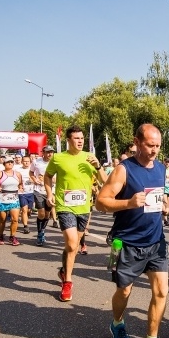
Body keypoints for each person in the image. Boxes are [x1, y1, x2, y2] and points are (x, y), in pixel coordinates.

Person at [96, 124, 169, 338]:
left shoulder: (161, 169)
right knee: (124, 291)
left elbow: (160, 197)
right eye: (150, 145)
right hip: (126, 243)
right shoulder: (123, 169)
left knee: (161, 291)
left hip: (155, 241)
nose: (154, 150)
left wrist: (165, 206)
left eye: (158, 146)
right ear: (137, 142)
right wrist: (128, 202)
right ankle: (117, 323)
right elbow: (101, 202)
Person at [45, 127, 107, 301]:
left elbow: (105, 181)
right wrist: (50, 194)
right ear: (68, 140)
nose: (80, 141)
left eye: (82, 138)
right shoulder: (58, 158)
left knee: (72, 246)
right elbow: (48, 176)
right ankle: (68, 283)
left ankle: (64, 271)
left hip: (84, 208)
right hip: (65, 206)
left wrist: (98, 165)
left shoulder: (89, 157)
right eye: (76, 138)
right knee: (72, 244)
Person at [0, 156, 24, 246]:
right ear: (4, 164)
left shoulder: (17, 174)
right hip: (2, 198)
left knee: (15, 219)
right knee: (2, 219)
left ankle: (12, 236)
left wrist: (20, 188)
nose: (10, 163)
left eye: (11, 162)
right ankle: (1, 235)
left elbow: (20, 184)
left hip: (14, 198)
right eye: (8, 162)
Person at [31, 146, 55, 246]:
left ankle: (42, 231)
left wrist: (55, 180)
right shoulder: (36, 162)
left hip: (51, 191)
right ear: (43, 153)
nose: (50, 154)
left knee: (47, 214)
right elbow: (31, 172)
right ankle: (40, 233)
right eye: (47, 152)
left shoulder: (55, 162)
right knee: (41, 213)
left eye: (51, 152)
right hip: (39, 190)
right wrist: (34, 179)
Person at [17, 155, 34, 234]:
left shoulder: (33, 170)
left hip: (32, 192)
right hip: (22, 193)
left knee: (28, 210)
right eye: (24, 161)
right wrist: (18, 186)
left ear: (30, 162)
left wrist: (34, 180)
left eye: (28, 161)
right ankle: (25, 226)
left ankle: (26, 217)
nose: (26, 163)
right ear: (22, 162)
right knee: (24, 210)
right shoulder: (18, 170)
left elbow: (40, 178)